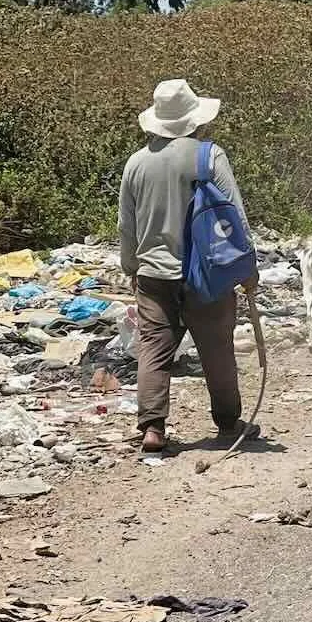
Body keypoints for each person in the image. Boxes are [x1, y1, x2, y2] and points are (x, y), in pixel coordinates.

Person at [118, 79, 259, 453]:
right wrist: (248, 267)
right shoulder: (209, 156)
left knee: (154, 348)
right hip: (206, 275)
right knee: (217, 349)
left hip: (152, 274)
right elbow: (234, 215)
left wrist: (131, 267)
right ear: (194, 120)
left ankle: (153, 427)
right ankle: (228, 423)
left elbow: (126, 226)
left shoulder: (136, 163)